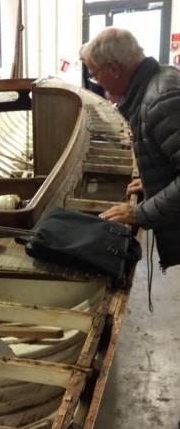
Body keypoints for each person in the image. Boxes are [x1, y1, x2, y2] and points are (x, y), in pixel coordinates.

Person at [80, 27, 180, 270]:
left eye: (94, 75)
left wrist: (140, 213)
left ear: (114, 68)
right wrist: (154, 179)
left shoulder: (160, 100)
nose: (96, 82)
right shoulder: (161, 79)